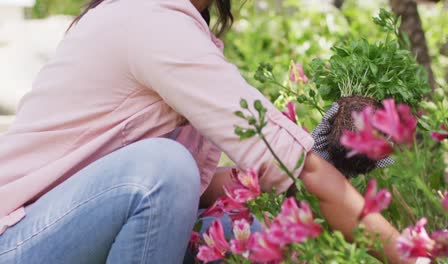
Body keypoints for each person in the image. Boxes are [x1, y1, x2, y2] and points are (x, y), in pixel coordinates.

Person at [0, 0, 412, 263]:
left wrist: (316, 156)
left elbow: (193, 192)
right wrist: (416, 255)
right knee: (162, 167)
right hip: (17, 241)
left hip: (69, 229)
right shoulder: (150, 24)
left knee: (259, 236)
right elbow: (159, 183)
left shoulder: (172, 26)